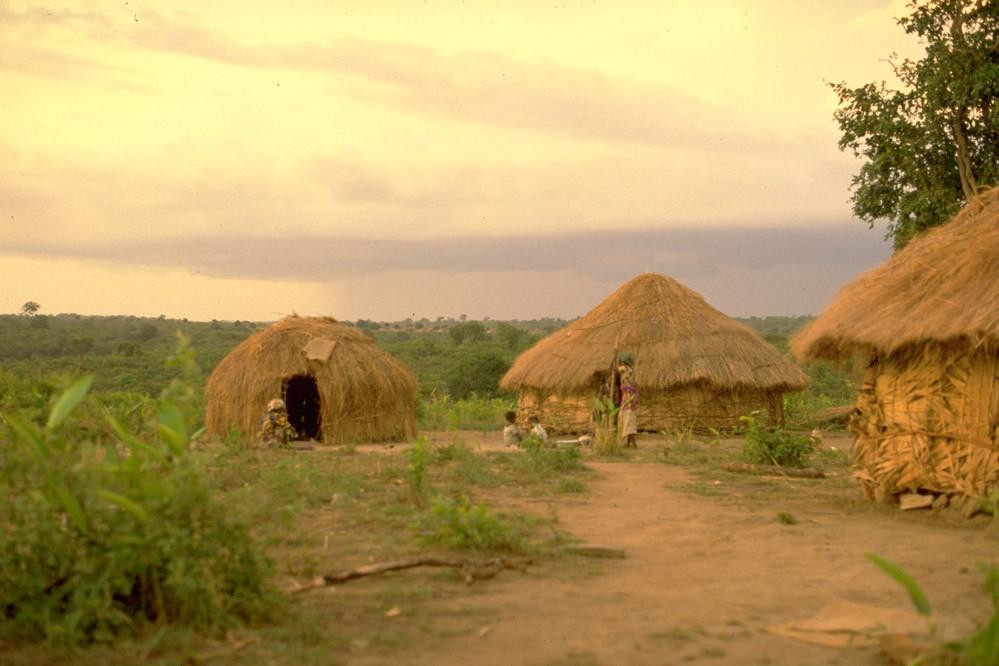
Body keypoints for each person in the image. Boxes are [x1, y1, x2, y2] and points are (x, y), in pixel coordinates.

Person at [617, 352, 639, 448]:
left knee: (627, 417)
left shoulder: (625, 369)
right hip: (631, 397)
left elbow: (615, 370)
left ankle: (632, 443)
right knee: (629, 418)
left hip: (628, 397)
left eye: (621, 361)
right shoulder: (631, 370)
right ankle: (629, 443)